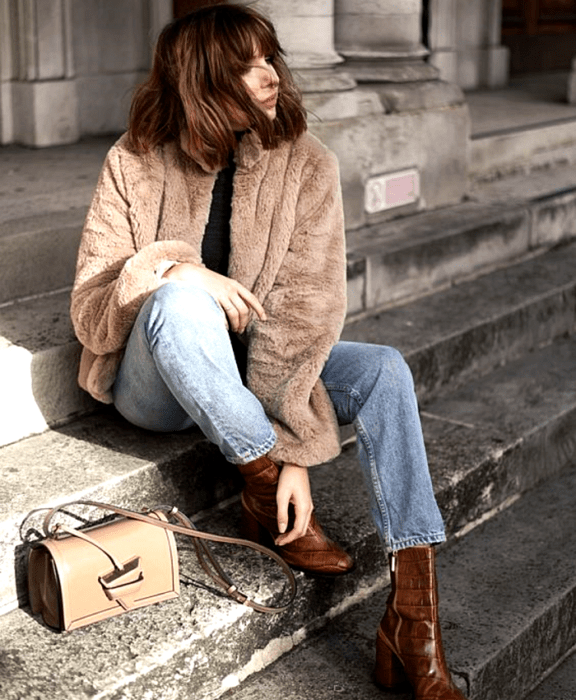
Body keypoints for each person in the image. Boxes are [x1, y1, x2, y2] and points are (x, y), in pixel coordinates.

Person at [70, 4, 467, 699]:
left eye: (269, 57)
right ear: (202, 76)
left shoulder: (306, 164)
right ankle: (262, 490)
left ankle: (413, 618)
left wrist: (293, 441)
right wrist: (173, 267)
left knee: (382, 369)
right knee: (177, 298)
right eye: (246, 63)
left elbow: (303, 313)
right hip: (158, 379)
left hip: (253, 373)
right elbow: (92, 310)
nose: (269, 73)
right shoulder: (134, 160)